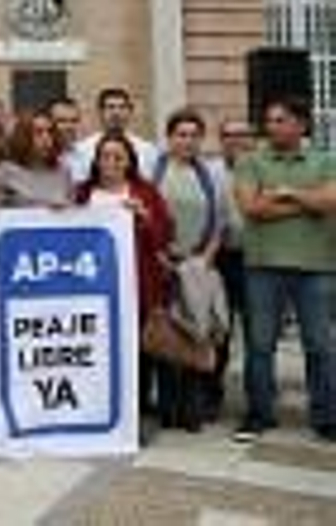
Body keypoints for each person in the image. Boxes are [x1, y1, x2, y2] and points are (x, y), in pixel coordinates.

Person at [231, 97, 336, 443]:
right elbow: (251, 208)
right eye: (270, 120)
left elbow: (331, 201)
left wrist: (285, 192)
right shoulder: (250, 161)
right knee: (260, 345)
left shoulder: (326, 160)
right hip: (264, 266)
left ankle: (326, 416)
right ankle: (259, 414)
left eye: (280, 120)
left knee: (320, 346)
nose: (271, 127)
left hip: (316, 266)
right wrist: (309, 203)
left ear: (301, 125)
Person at [76, 133, 174, 441]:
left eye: (119, 157)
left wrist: (144, 217)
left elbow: (164, 235)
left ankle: (135, 415)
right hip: (93, 286)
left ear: (130, 161)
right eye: (105, 156)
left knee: (137, 352)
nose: (112, 162)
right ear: (96, 161)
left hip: (138, 284)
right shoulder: (82, 193)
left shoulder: (145, 192)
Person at [153, 109, 230, 432]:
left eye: (194, 135)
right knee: (166, 335)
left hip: (198, 266)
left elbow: (220, 223)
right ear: (170, 138)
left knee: (197, 333)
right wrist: (161, 256)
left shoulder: (210, 176)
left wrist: (205, 257)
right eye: (181, 135)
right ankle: (167, 407)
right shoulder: (153, 170)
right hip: (161, 264)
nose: (187, 141)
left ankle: (193, 408)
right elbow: (147, 219)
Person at [204, 117, 256, 420]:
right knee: (217, 329)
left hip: (256, 258)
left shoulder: (263, 168)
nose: (235, 140)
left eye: (242, 134)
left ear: (252, 138)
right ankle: (211, 393)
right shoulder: (208, 171)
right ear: (220, 140)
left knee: (257, 333)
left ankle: (257, 396)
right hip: (219, 257)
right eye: (228, 135)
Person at [0, 108, 75, 209]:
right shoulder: (7, 171)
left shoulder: (63, 172)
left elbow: (73, 208)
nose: (46, 138)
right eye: (38, 132)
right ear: (24, 137)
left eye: (50, 132)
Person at [69, 87, 159, 183]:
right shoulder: (82, 150)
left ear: (130, 112)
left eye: (122, 107)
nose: (116, 113)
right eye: (110, 107)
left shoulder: (147, 150)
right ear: (100, 112)